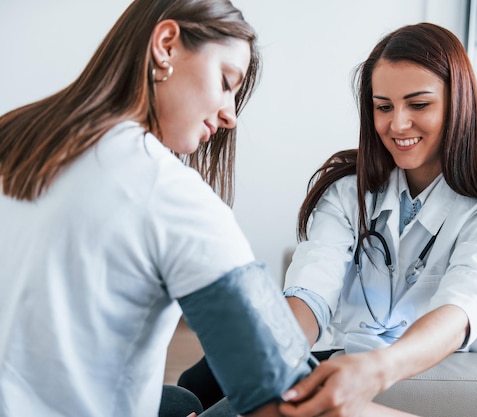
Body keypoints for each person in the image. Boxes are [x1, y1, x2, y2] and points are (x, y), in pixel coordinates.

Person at [177, 21, 477, 417]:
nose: (397, 124)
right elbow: (311, 293)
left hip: (416, 366)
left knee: (237, 406)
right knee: (197, 383)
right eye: (383, 106)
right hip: (340, 352)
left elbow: (459, 313)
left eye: (418, 105)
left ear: (458, 104)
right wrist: (270, 355)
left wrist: (374, 369)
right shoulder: (347, 188)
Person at [0, 1, 316, 416]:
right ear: (166, 45)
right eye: (226, 81)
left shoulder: (14, 135)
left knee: (180, 400)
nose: (229, 115)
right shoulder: (170, 192)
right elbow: (284, 399)